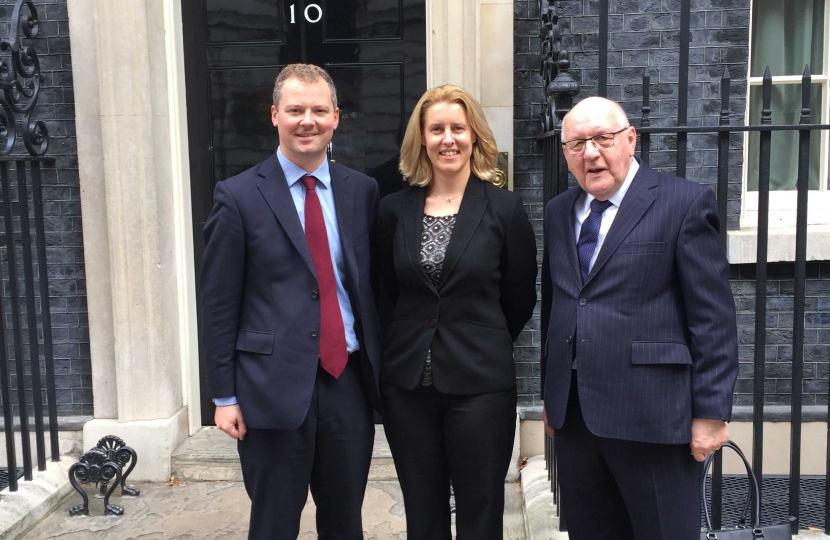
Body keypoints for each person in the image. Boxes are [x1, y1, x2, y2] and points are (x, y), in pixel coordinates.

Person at [540, 96, 739, 540]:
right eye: (576, 145)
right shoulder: (558, 212)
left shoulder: (683, 203)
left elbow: (713, 317)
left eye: (602, 139)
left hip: (654, 418)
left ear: (630, 139)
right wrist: (551, 395)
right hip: (576, 419)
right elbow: (556, 307)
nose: (590, 153)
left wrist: (710, 412)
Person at [200, 63, 383, 540]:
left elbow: (369, 288)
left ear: (336, 117)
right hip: (269, 390)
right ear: (275, 115)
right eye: (296, 110)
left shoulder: (361, 191)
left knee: (345, 523)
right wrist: (223, 395)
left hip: (347, 384)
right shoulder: (237, 196)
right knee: (274, 524)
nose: (308, 120)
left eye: (319, 110)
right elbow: (218, 304)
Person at [377, 84, 537, 540]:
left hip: (480, 386)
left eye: (457, 128)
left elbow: (520, 296)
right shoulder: (393, 210)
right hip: (408, 387)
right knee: (422, 511)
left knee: (480, 509)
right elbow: (388, 293)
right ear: (421, 139)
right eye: (436, 129)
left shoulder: (504, 209)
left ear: (474, 137)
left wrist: (479, 337)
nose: (448, 138)